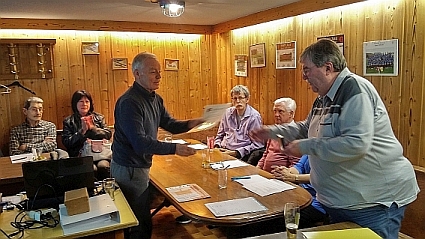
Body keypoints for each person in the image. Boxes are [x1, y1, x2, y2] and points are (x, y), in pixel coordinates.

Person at [250, 39, 419, 239]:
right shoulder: (324, 97)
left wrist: (305, 146)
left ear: (328, 67)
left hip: (373, 202)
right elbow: (307, 127)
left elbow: (356, 143)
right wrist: (273, 131)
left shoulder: (354, 89)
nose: (304, 76)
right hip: (341, 201)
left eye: (307, 69)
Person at [111, 52, 204, 239]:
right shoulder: (129, 102)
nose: (159, 76)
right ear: (137, 74)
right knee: (139, 224)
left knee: (142, 220)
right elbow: (140, 142)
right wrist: (175, 149)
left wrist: (195, 122)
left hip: (140, 166)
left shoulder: (155, 98)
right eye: (153, 72)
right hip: (129, 168)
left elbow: (170, 124)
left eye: (159, 72)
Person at [62, 90, 112, 180]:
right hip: (80, 155)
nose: (84, 104)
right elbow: (67, 142)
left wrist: (93, 128)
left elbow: (108, 134)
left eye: (87, 101)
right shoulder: (69, 121)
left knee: (103, 166)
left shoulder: (99, 118)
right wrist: (82, 132)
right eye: (81, 101)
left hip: (101, 154)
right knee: (91, 169)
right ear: (75, 104)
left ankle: (107, 190)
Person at [272, 155, 327, 228]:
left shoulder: (330, 153)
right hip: (300, 195)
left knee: (278, 219)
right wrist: (285, 172)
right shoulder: (310, 149)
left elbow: (322, 177)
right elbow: (299, 167)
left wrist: (294, 177)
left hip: (318, 203)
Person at [214, 85, 264, 162]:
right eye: (235, 98)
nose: (237, 101)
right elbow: (220, 135)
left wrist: (237, 153)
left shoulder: (254, 117)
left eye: (240, 98)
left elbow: (258, 144)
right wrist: (217, 146)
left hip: (242, 155)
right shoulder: (227, 113)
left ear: (247, 99)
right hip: (224, 150)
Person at [256, 97, 299, 171]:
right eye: (275, 111)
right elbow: (266, 154)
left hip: (279, 178)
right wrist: (257, 169)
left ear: (291, 114)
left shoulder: (294, 135)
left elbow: (295, 165)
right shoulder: (275, 130)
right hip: (265, 174)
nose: (276, 114)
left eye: (280, 111)